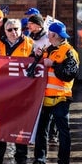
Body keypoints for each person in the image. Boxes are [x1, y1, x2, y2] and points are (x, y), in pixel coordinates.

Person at [29, 21, 79, 164]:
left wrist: (54, 64)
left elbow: (69, 74)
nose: (47, 37)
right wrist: (35, 57)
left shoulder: (69, 52)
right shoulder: (47, 50)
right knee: (41, 131)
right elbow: (31, 71)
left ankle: (64, 163)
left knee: (63, 132)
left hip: (61, 98)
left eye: (49, 34)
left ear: (54, 35)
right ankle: (39, 160)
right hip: (44, 98)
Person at [0, 18, 34, 164]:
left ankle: (21, 159)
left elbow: (36, 67)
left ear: (21, 29)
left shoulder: (30, 44)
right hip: (2, 91)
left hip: (22, 92)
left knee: (20, 126)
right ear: (5, 32)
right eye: (10, 30)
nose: (14, 32)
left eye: (16, 29)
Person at [28, 14, 58, 145]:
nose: (29, 26)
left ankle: (52, 134)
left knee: (51, 109)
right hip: (36, 76)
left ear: (39, 25)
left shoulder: (48, 38)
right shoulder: (29, 38)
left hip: (50, 78)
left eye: (31, 23)